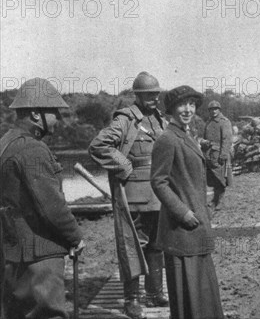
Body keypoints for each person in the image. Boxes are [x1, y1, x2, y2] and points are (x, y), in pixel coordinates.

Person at [1, 78, 84, 319]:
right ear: (36, 114)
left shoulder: (7, 142)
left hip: (14, 249)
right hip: (40, 254)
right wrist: (76, 236)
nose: (58, 118)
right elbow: (51, 206)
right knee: (46, 313)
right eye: (54, 111)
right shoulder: (33, 149)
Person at [88, 72, 168, 319]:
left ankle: (154, 293)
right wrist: (124, 166)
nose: (153, 98)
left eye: (156, 94)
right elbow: (98, 146)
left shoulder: (159, 120)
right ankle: (131, 299)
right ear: (138, 95)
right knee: (133, 246)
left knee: (156, 244)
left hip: (158, 194)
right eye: (148, 95)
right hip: (133, 194)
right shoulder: (126, 120)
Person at [150, 86, 224, 319]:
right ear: (171, 109)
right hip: (182, 228)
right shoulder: (167, 139)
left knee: (201, 289)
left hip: (196, 225)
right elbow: (158, 182)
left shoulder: (186, 135)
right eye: (182, 105)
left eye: (192, 104)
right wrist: (182, 213)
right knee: (188, 292)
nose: (188, 109)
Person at [203, 100, 233, 209]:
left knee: (221, 178)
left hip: (219, 154)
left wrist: (223, 154)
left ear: (219, 110)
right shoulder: (208, 122)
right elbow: (205, 137)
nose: (214, 111)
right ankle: (215, 200)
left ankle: (220, 201)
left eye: (216, 109)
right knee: (213, 179)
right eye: (211, 109)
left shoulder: (224, 122)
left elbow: (227, 139)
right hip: (209, 154)